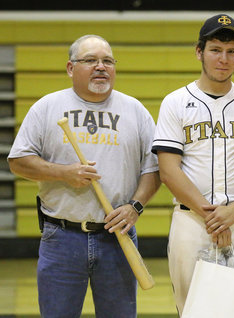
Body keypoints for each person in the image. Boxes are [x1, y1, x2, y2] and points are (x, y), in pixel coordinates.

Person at [8, 34, 160, 318]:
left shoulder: (135, 110)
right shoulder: (46, 107)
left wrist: (135, 206)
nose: (101, 67)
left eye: (107, 61)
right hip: (62, 238)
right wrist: (64, 173)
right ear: (70, 68)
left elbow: (153, 169)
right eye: (90, 60)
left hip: (118, 237)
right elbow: (18, 161)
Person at [151, 14, 234, 317]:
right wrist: (212, 217)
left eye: (231, 51)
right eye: (215, 49)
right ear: (199, 52)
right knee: (193, 308)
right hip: (192, 221)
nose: (224, 58)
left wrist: (230, 214)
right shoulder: (175, 102)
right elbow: (168, 171)